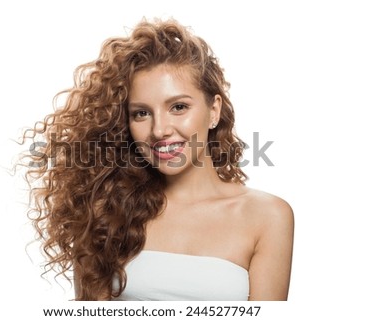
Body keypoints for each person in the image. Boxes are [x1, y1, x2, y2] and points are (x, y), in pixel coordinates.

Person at [21, 18, 294, 301]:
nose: (159, 130)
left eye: (178, 107)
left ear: (214, 110)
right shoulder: (106, 210)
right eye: (141, 113)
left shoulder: (267, 216)